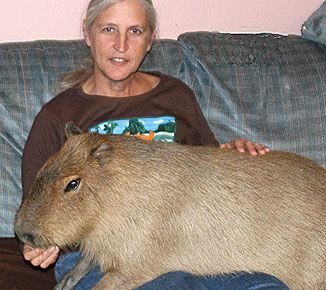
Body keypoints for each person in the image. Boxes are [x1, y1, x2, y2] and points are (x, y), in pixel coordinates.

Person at [19, 0, 288, 289]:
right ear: (88, 33)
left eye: (135, 31)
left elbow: (208, 172)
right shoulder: (58, 115)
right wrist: (37, 244)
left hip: (186, 250)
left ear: (150, 40)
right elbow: (38, 207)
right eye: (109, 29)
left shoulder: (176, 95)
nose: (120, 45)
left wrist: (235, 154)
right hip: (102, 260)